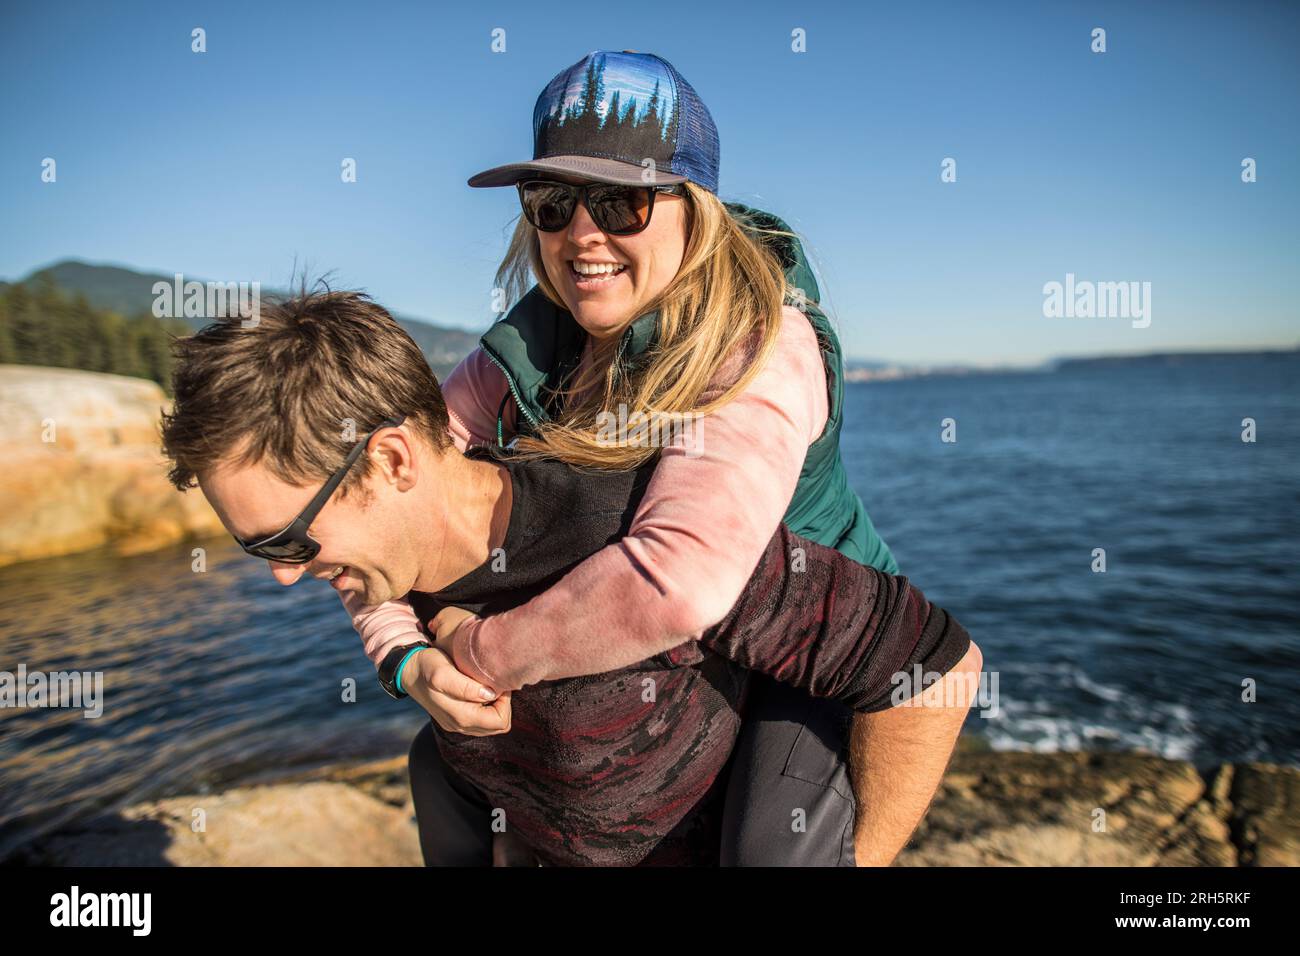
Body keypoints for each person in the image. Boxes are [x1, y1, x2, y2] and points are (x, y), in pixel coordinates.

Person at [159, 289, 982, 866]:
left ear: (391, 458)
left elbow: (937, 668)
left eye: (289, 541)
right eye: (257, 549)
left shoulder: (638, 536)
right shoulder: (398, 586)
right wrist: (408, 663)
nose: (281, 579)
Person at [344, 49, 906, 865]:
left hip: (804, 649)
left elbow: (677, 582)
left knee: (765, 845)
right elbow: (380, 498)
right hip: (661, 655)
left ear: (695, 208)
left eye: (620, 200)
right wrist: (405, 656)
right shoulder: (530, 350)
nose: (581, 233)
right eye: (551, 200)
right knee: (441, 769)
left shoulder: (763, 344)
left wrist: (471, 651)